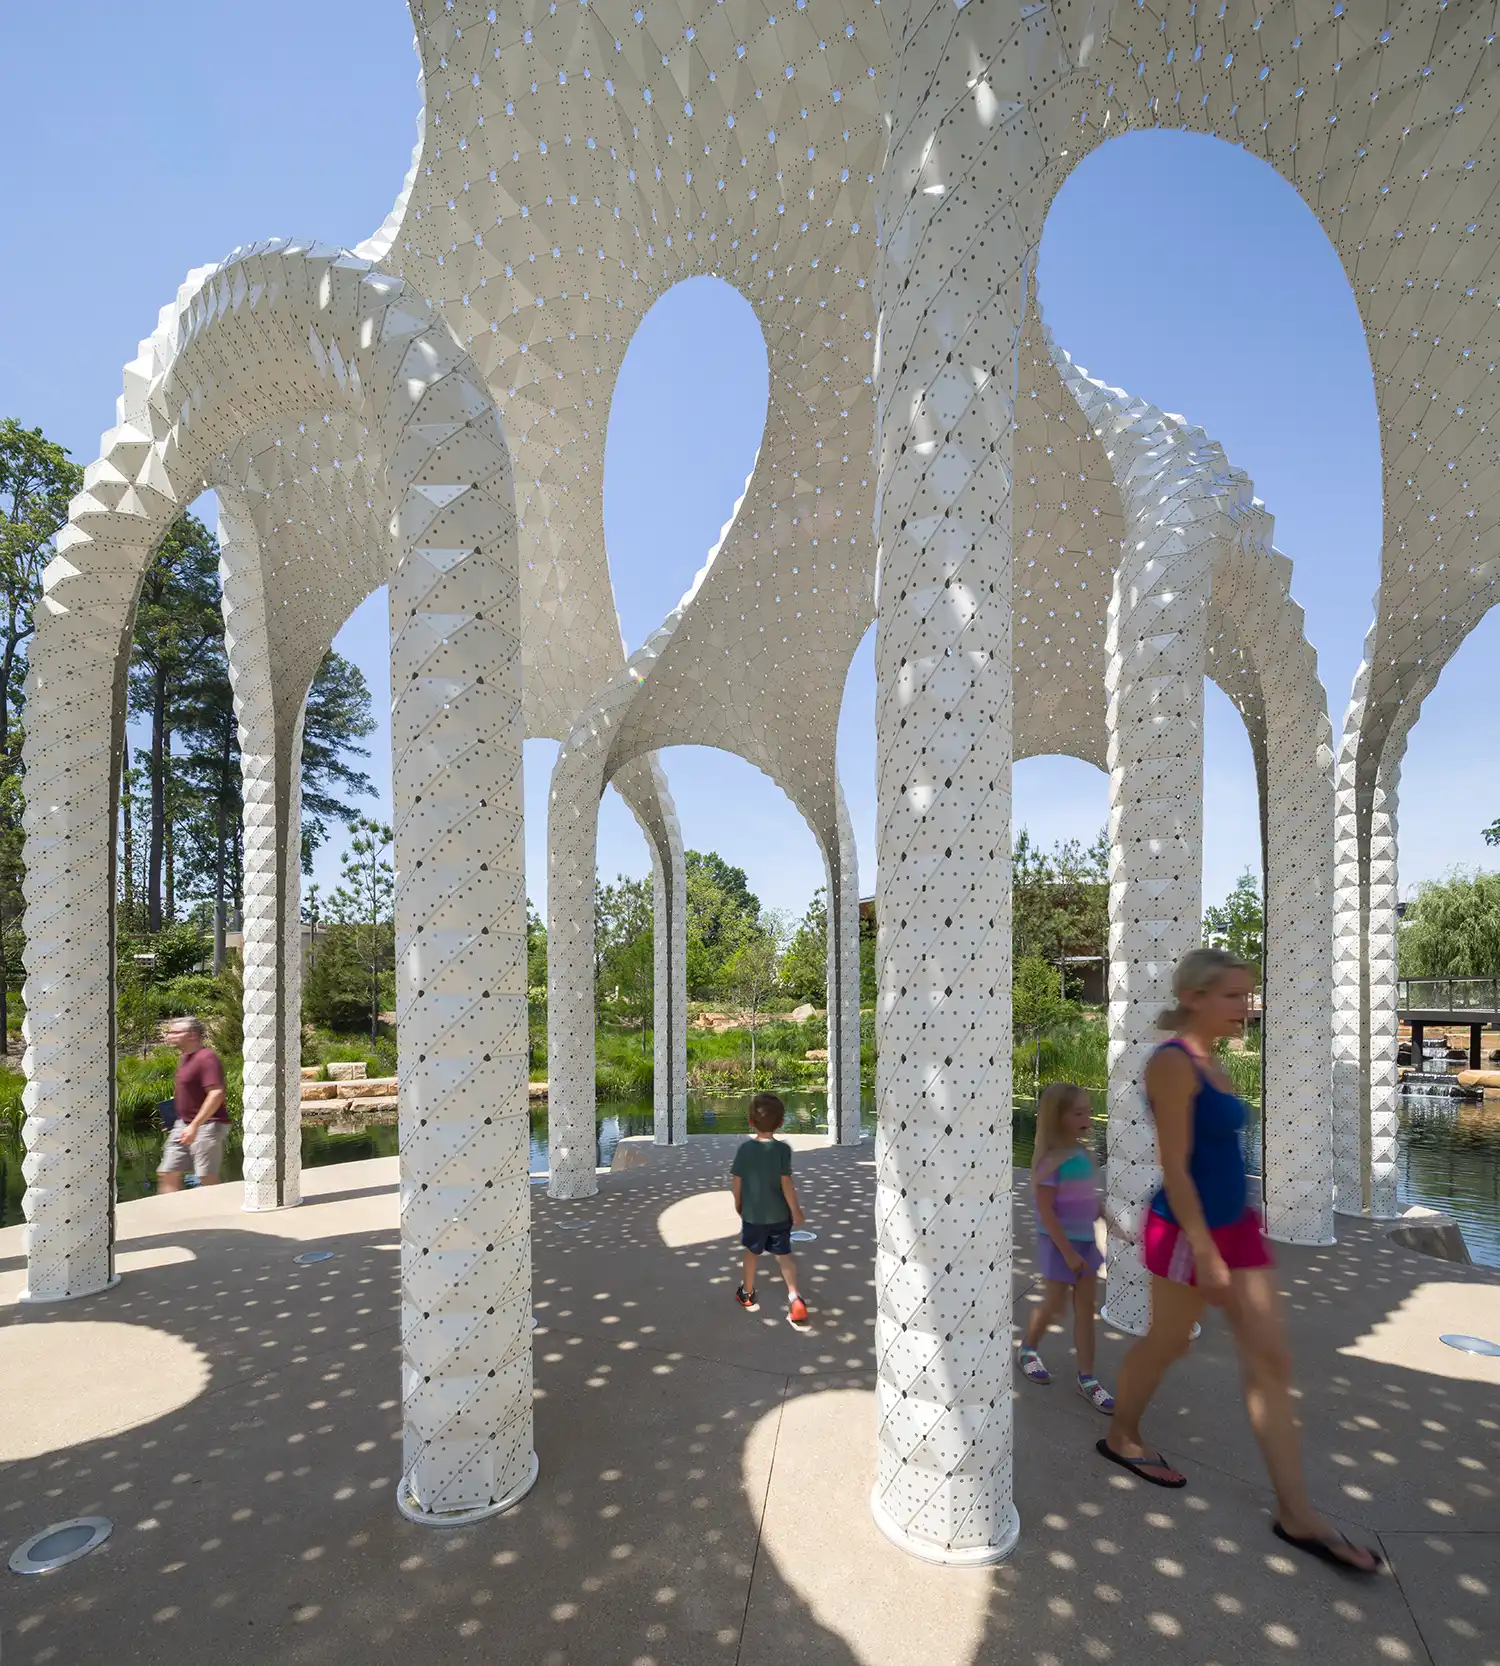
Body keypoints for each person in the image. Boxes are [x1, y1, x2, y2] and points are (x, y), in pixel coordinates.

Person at [1097, 948, 1382, 1574]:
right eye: (1232, 995)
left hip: (1237, 1228)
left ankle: (1296, 1513)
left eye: (1247, 995)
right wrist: (1205, 1250)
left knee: (1270, 1360)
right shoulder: (1171, 1063)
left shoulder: (1213, 1062)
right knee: (1168, 1343)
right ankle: (1123, 1434)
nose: (1245, 1007)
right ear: (1195, 996)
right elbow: (1174, 1166)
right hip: (1187, 1229)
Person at [1017, 1082, 1116, 1411]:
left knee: (1086, 1312)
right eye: (1078, 1113)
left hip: (1085, 1244)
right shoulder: (1050, 1162)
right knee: (1054, 1305)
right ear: (1058, 1118)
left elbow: (1086, 1197)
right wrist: (1068, 1253)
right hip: (1060, 1245)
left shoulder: (1084, 1155)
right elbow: (1046, 1212)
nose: (1087, 1117)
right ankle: (1028, 1348)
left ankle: (1087, 1377)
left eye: (1088, 1110)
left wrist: (1104, 1215)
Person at [730, 1092, 809, 1326]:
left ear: (751, 1121)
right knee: (784, 1255)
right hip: (779, 1215)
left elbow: (737, 1180)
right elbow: (786, 1183)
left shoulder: (745, 1149)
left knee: (752, 1253)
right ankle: (794, 1296)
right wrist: (796, 1210)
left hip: (754, 1215)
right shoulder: (783, 1150)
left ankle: (747, 1292)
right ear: (781, 1122)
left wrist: (738, 1203)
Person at [157, 1016, 229, 1192]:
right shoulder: (185, 1058)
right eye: (170, 1032)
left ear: (192, 1035)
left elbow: (216, 1093)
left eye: (176, 1032)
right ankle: (173, 1214)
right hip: (182, 1124)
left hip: (209, 1124)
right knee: (168, 1172)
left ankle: (217, 1214)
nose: (170, 1035)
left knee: (206, 1176)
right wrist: (174, 1120)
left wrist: (194, 1126)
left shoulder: (207, 1058)